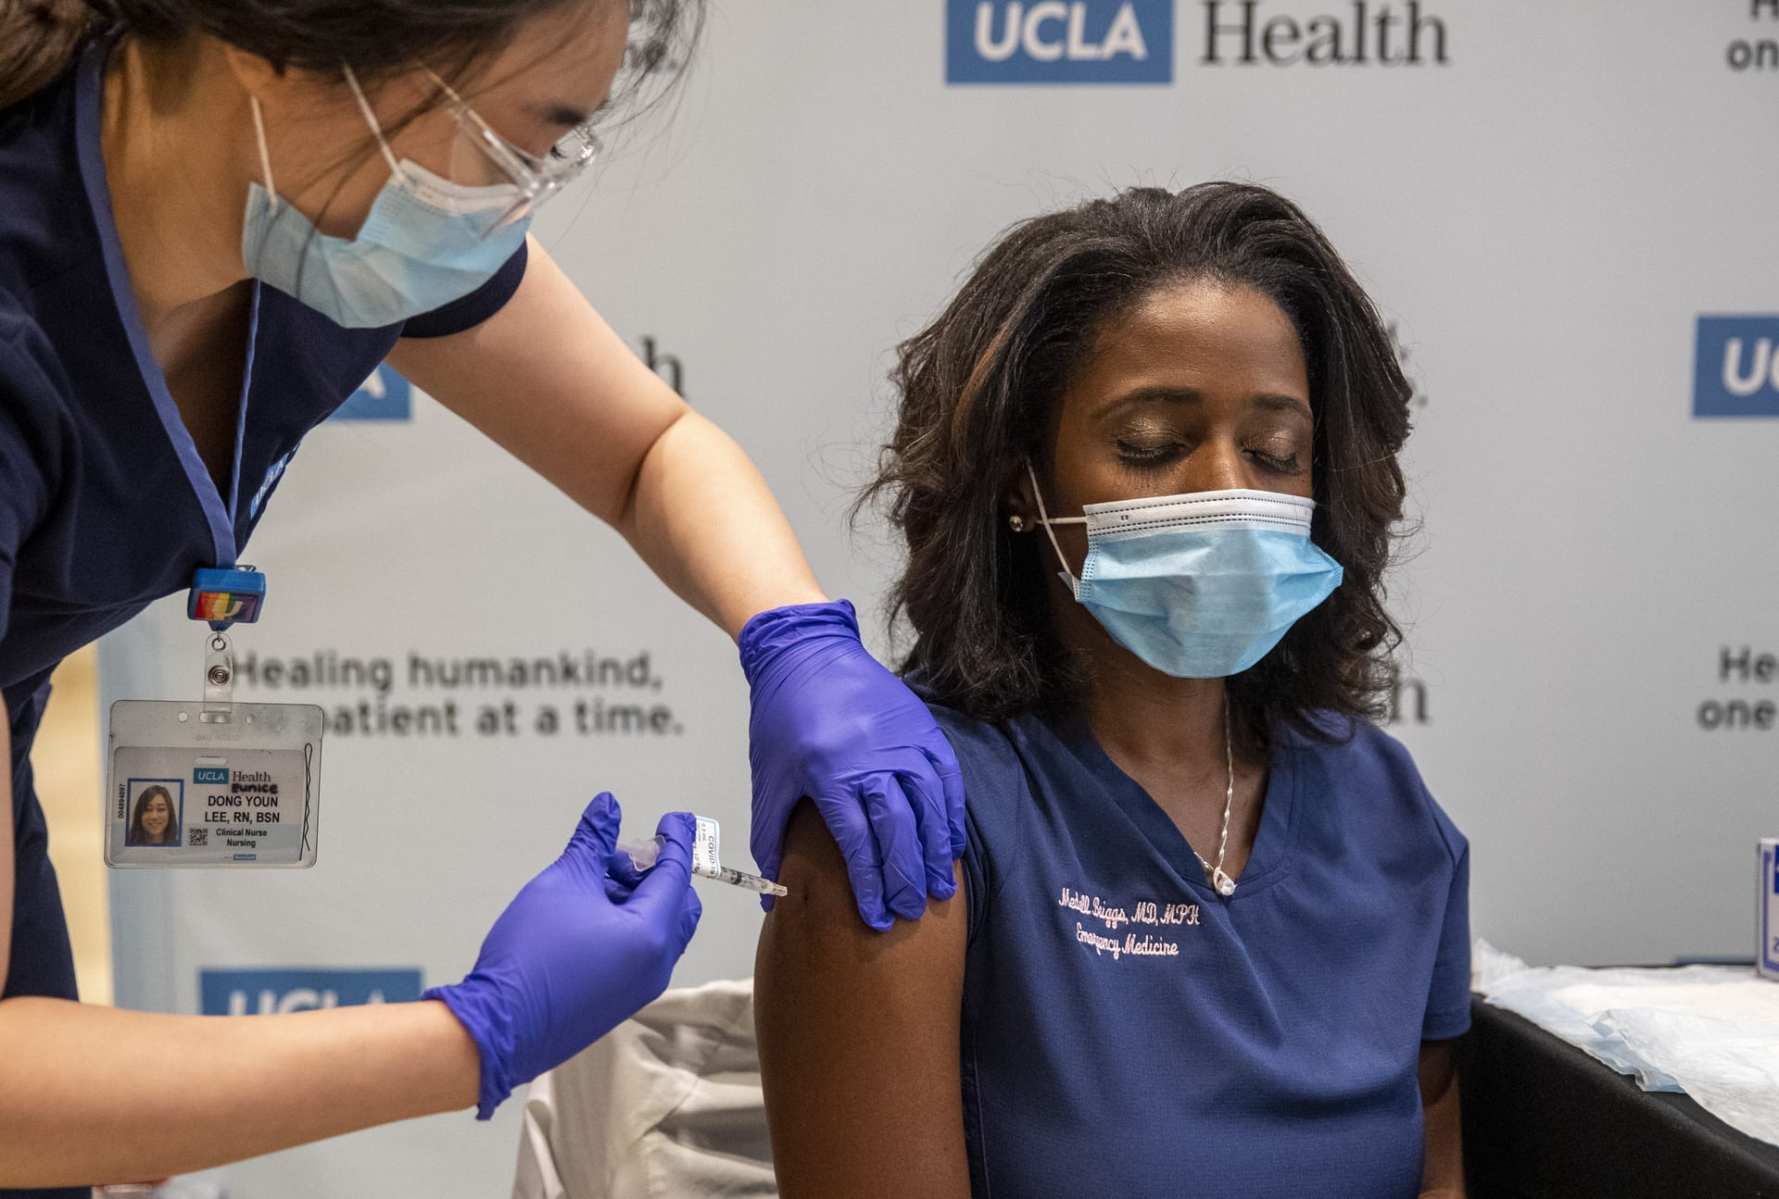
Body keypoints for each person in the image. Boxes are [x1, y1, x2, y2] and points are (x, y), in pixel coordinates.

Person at [0, 0, 963, 1192]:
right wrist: (474, 1035)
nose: (515, 200)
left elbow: (646, 450)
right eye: (519, 139)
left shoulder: (315, 212)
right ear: (280, 44)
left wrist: (795, 635)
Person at [756, 183, 1471, 1198]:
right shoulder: (909, 813)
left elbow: (1434, 1159)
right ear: (1020, 479)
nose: (1226, 493)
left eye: (1276, 453)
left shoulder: (1385, 804)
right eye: (1151, 444)